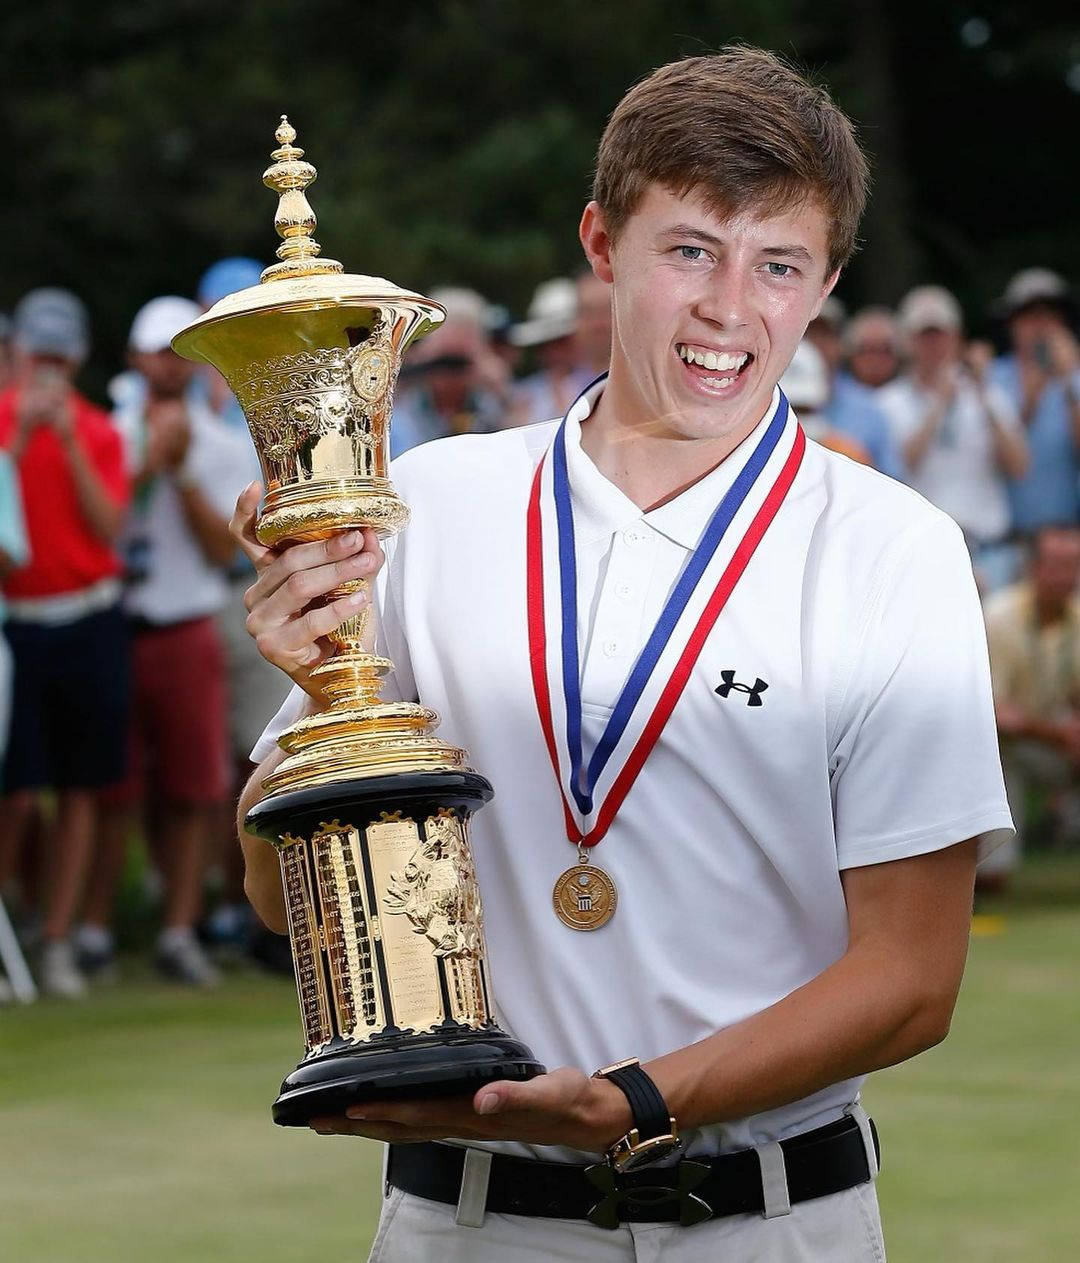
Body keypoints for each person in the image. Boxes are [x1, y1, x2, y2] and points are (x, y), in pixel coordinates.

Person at [235, 48, 1010, 1260]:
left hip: (767, 1221)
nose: (729, 308)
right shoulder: (425, 506)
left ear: (829, 284)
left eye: (780, 265)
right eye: (690, 249)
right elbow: (283, 908)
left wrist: (636, 1101)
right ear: (602, 244)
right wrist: (307, 704)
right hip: (471, 1219)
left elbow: (913, 978)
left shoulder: (890, 549)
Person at [80, 297, 251, 986]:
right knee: (113, 786)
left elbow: (222, 552)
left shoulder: (224, 445)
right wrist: (150, 462)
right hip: (115, 622)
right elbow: (97, 531)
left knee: (194, 785)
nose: (166, 365)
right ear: (134, 359)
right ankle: (93, 928)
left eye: (178, 353)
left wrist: (178, 472)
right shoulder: (106, 435)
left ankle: (180, 929)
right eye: (155, 351)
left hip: (185, 623)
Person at [0, 288, 130, 999]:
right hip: (16, 623)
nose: (46, 373)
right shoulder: (0, 426)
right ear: (17, 353)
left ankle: (57, 942)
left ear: (75, 359)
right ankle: (12, 933)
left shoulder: (99, 430)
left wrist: (69, 441)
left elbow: (108, 526)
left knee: (81, 788)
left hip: (89, 619)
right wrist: (19, 440)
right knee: (16, 793)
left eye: (57, 359)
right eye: (35, 357)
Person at [879, 285, 1028, 590]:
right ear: (907, 342)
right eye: (924, 336)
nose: (934, 346)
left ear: (958, 339)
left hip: (990, 550)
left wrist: (983, 392)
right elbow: (900, 465)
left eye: (941, 335)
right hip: (922, 557)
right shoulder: (887, 403)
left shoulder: (990, 395)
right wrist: (940, 404)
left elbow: (1019, 467)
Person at [982, 525, 1080, 890]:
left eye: (1074, 565)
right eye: (1058, 565)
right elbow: (993, 714)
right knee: (995, 749)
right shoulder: (998, 616)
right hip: (1010, 746)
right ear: (1033, 567)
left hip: (1055, 740)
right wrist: (1061, 735)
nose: (1067, 576)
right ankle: (992, 866)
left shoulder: (1076, 616)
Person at [990, 268, 1080, 534]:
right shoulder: (992, 378)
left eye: (1050, 317)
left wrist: (1067, 382)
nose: (1041, 327)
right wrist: (1034, 393)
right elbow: (1000, 457)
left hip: (1069, 535)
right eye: (1030, 317)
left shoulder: (1074, 376)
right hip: (1010, 536)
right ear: (1012, 325)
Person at [390, 288, 511, 456]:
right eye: (444, 361)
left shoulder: (492, 409)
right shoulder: (402, 412)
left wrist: (501, 390)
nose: (449, 375)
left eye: (458, 363)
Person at [806, 296, 901, 478]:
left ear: (841, 345)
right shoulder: (766, 399)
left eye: (826, 336)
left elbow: (892, 479)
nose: (816, 345)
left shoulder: (870, 409)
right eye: (808, 334)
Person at [507, 278, 596, 425]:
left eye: (562, 341)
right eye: (547, 344)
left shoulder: (602, 383)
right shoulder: (524, 394)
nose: (555, 352)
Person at [845, 306, 901, 390]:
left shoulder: (916, 396)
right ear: (853, 355)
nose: (876, 360)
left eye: (884, 351)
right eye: (868, 350)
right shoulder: (829, 394)